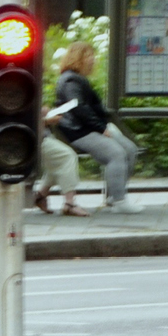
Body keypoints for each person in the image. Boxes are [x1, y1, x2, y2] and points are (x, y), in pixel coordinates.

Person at [52, 42, 141, 214]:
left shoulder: (75, 78)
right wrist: (101, 128)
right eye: (88, 56)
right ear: (77, 59)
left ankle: (113, 196)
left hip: (87, 127)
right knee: (116, 154)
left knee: (130, 150)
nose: (93, 60)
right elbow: (78, 107)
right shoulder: (71, 80)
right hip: (79, 130)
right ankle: (119, 201)